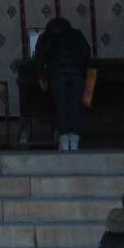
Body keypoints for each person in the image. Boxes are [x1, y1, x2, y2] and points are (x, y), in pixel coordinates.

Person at [35, 17, 93, 152]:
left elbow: (39, 58)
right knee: (75, 106)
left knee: (61, 106)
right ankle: (75, 141)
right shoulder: (76, 34)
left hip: (57, 75)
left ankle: (64, 140)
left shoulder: (46, 36)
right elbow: (86, 52)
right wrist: (81, 68)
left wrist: (41, 77)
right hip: (77, 75)